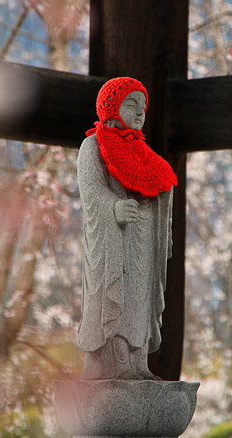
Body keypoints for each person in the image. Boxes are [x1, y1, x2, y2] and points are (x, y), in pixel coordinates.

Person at [76, 77, 177, 380]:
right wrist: (114, 207)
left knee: (138, 302)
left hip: (142, 243)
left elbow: (161, 184)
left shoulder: (144, 154)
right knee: (115, 300)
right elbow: (90, 190)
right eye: (131, 103)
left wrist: (160, 223)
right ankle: (112, 360)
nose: (139, 112)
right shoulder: (93, 145)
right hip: (113, 242)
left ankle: (137, 361)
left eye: (143, 106)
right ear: (111, 105)